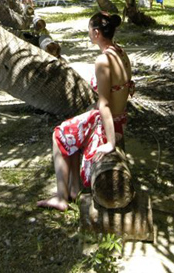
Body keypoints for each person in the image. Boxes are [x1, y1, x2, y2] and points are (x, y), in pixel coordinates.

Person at [37, 12, 134, 211]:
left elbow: (105, 104)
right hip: (118, 117)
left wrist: (110, 143)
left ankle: (61, 197)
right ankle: (73, 189)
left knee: (59, 134)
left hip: (106, 122)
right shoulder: (120, 52)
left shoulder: (103, 61)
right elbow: (125, 91)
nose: (88, 33)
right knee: (70, 130)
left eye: (89, 30)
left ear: (97, 32)